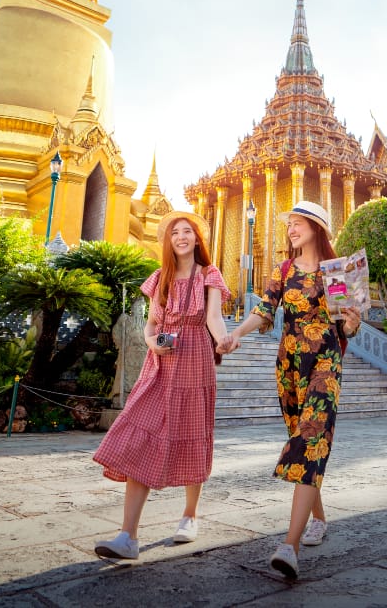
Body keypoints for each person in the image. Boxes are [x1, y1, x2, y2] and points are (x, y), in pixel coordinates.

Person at [221, 200, 362, 580]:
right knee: (301, 438)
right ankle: (318, 517)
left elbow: (346, 327)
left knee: (311, 438)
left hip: (325, 363)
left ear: (317, 228)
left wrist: (351, 323)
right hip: (289, 366)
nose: (292, 229)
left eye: (299, 223)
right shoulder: (283, 271)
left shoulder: (335, 271)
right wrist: (234, 333)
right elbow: (264, 311)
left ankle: (290, 546)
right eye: (290, 224)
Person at [91, 211, 231, 561]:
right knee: (140, 435)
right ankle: (128, 536)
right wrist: (153, 343)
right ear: (168, 241)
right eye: (175, 233)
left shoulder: (209, 275)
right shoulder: (160, 278)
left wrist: (225, 340)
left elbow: (213, 318)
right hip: (160, 366)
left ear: (198, 239)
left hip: (196, 360)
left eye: (188, 232)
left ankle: (190, 515)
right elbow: (151, 324)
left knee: (192, 433)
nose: (181, 237)